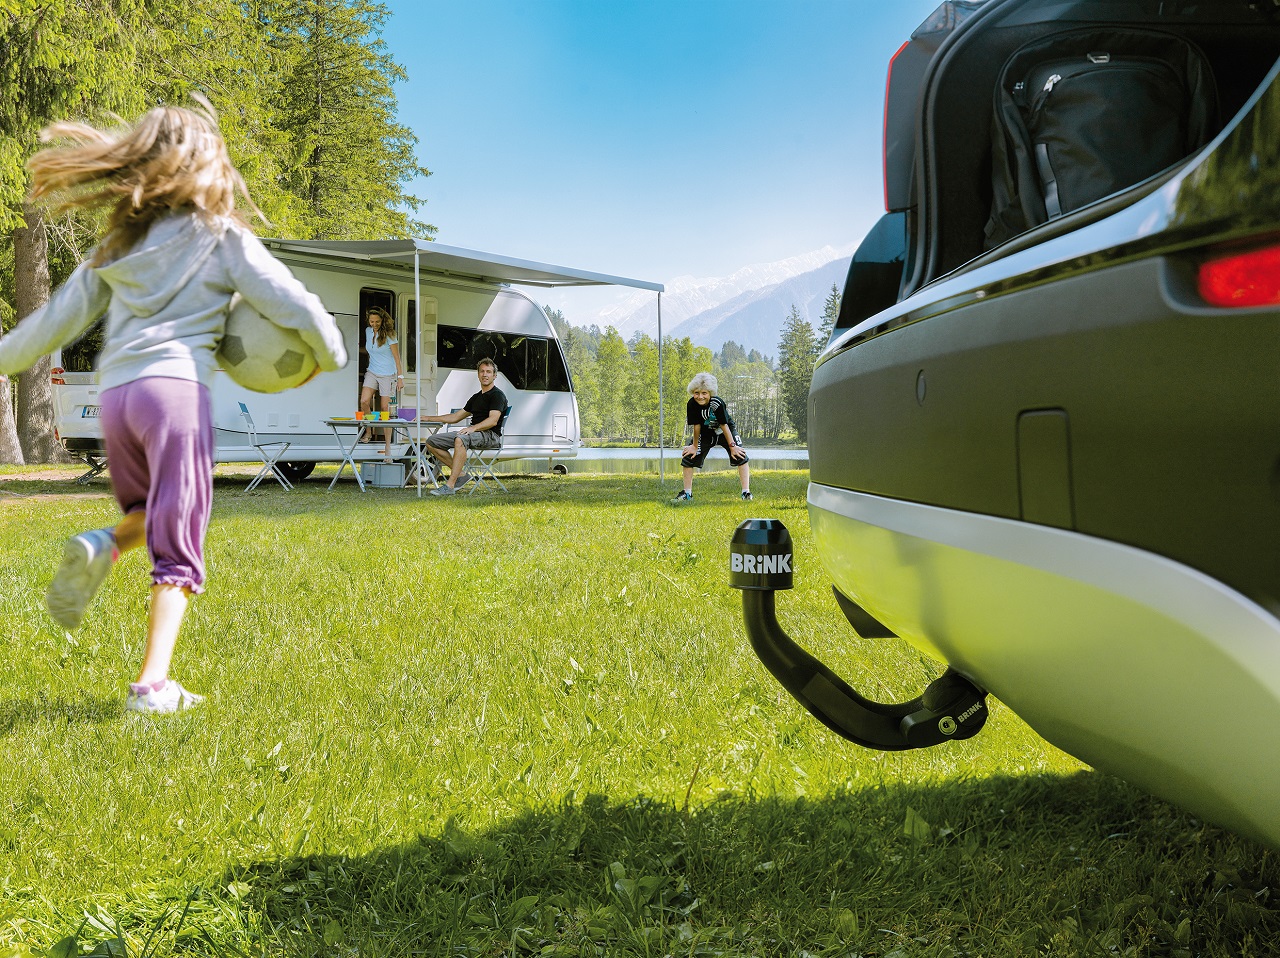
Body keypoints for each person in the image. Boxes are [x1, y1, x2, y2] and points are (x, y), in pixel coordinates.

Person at [0, 102, 347, 714]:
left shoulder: (117, 245)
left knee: (148, 512)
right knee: (179, 542)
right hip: (175, 394)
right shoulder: (221, 236)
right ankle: (152, 685)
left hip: (116, 399)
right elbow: (293, 302)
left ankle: (103, 544)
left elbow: (51, 324)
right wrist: (332, 354)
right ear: (208, 166)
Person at [419, 357, 507, 496]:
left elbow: (493, 421)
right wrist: (428, 418)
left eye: (488, 372)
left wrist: (472, 428)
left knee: (460, 438)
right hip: (474, 434)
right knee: (431, 441)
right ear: (478, 375)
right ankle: (461, 474)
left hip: (490, 435)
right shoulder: (476, 397)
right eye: (482, 371)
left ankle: (449, 486)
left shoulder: (497, 395)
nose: (485, 374)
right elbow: (455, 417)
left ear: (494, 376)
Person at [675, 372, 751, 501]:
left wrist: (733, 446)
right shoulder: (691, 404)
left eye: (704, 393)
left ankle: (746, 493)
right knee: (688, 456)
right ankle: (687, 494)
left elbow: (724, 425)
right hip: (705, 433)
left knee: (740, 455)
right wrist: (694, 446)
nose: (700, 397)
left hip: (725, 431)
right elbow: (696, 426)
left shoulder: (717, 402)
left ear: (710, 393)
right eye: (697, 393)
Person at [360, 306, 403, 460]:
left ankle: (388, 447)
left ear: (382, 320)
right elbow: (370, 350)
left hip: (388, 374)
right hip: (372, 371)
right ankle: (369, 431)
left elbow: (397, 357)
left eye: (377, 321)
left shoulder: (390, 335)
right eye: (372, 321)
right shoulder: (368, 331)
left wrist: (400, 377)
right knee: (364, 401)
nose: (374, 324)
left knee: (384, 409)